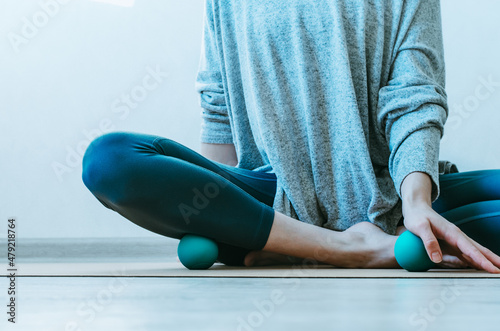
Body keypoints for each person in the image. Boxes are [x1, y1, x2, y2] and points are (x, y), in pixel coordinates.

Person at [82, 0, 500, 272]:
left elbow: (414, 97)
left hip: (395, 202)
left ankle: (318, 244)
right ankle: (344, 248)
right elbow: (219, 105)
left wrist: (416, 203)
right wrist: (221, 212)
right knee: (109, 159)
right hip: (274, 200)